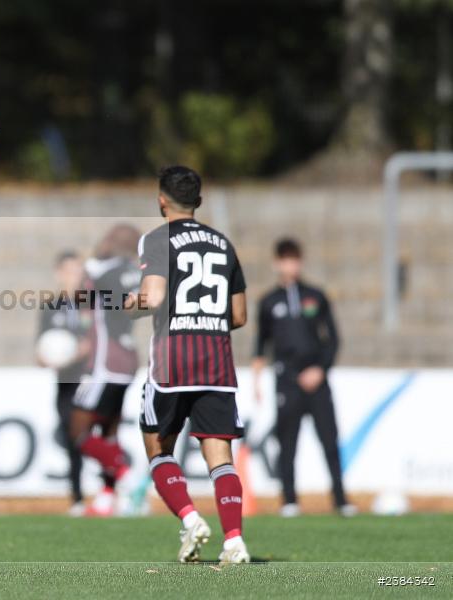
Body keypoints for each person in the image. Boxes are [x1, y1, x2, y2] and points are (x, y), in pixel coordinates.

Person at [126, 166, 250, 564]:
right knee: (220, 457)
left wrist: (125, 304)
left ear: (161, 199)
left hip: (171, 361)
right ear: (199, 201)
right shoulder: (222, 244)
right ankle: (234, 541)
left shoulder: (158, 239)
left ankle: (191, 518)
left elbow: (155, 296)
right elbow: (240, 314)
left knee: (158, 447)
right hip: (217, 360)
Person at [252, 238, 354, 517]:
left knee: (329, 439)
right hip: (287, 379)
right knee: (287, 441)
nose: (290, 265)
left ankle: (341, 498)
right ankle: (289, 500)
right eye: (285, 260)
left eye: (295, 259)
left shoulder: (316, 296)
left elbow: (332, 339)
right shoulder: (268, 302)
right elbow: (261, 345)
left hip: (317, 378)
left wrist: (321, 368)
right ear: (277, 263)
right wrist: (257, 382)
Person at [70, 224, 142, 516]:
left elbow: (79, 298)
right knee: (109, 430)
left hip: (104, 360)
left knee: (78, 430)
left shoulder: (101, 271)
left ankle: (127, 475)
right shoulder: (134, 272)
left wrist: (86, 269)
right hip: (127, 359)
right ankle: (108, 497)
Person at [36, 251, 92, 515]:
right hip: (65, 382)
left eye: (78, 271)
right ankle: (77, 497)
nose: (74, 276)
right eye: (70, 271)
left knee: (96, 434)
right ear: (59, 273)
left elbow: (103, 342)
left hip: (91, 379)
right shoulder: (50, 307)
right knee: (73, 437)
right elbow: (41, 349)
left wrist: (85, 351)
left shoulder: (92, 305)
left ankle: (112, 489)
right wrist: (49, 357)